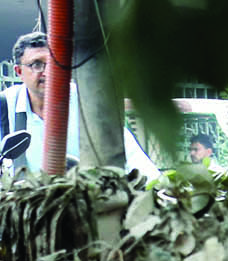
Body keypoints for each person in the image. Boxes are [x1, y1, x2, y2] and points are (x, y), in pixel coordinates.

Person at [3, 30, 159, 178]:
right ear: (19, 72)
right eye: (37, 64)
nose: (47, 72)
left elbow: (129, 153)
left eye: (54, 63)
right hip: (24, 200)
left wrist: (160, 186)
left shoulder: (86, 100)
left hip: (83, 196)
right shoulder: (5, 105)